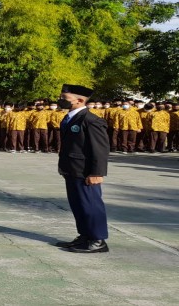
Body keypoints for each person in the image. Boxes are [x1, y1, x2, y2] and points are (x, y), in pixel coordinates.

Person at [55, 83, 110, 253]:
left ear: (79, 100)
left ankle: (97, 239)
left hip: (86, 171)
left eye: (65, 98)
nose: (60, 100)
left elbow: (100, 149)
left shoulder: (90, 120)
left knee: (91, 205)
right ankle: (85, 235)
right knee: (78, 205)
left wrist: (97, 172)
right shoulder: (69, 117)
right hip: (72, 168)